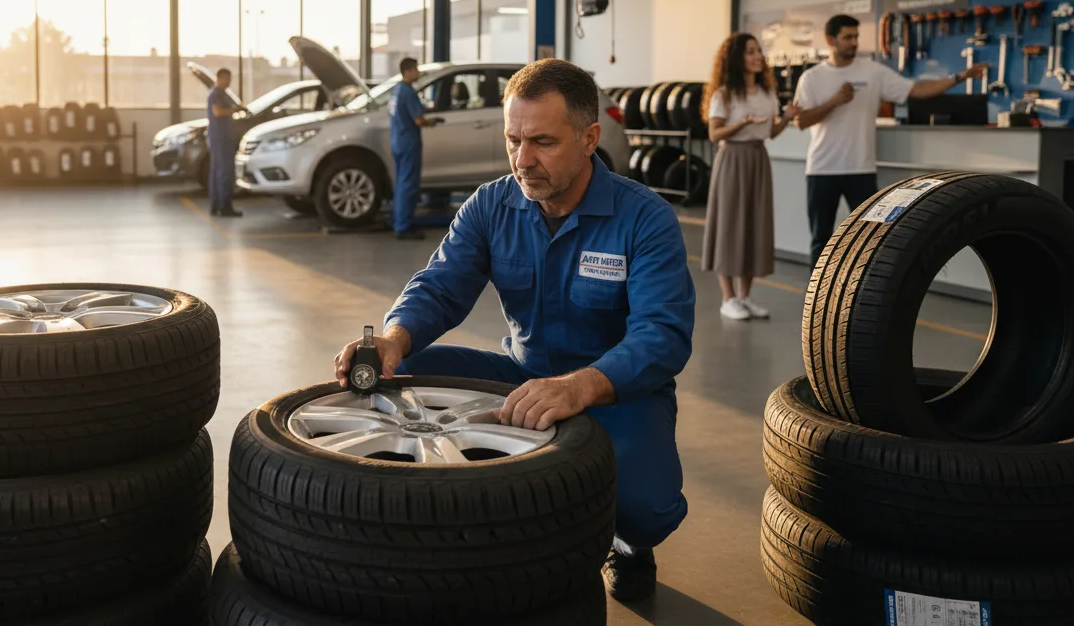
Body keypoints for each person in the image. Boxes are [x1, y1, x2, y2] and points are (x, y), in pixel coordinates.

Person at [334, 58, 695, 604]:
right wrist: (394, 336)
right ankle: (422, 516)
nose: (523, 160)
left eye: (543, 142)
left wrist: (580, 386)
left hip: (615, 390)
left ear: (589, 137)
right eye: (513, 140)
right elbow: (440, 285)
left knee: (648, 510)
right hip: (521, 375)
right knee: (393, 373)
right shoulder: (491, 205)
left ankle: (622, 542)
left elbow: (661, 335)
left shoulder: (644, 219)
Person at [790, 14, 989, 268]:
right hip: (822, 169)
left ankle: (860, 298)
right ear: (831, 40)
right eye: (847, 37)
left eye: (856, 37)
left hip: (860, 169)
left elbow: (916, 90)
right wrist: (834, 102)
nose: (853, 42)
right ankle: (816, 303)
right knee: (821, 240)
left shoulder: (873, 72)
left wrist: (959, 77)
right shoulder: (812, 78)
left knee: (869, 238)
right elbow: (801, 121)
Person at [701, 33, 790, 321]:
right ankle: (727, 298)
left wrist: (788, 117)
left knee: (755, 224)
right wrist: (743, 122)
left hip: (758, 158)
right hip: (733, 159)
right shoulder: (724, 95)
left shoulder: (767, 94)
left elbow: (771, 133)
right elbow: (715, 134)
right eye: (751, 51)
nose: (758, 56)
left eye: (759, 51)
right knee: (729, 224)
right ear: (736, 58)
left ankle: (745, 296)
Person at [389, 57, 436, 240]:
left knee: (401, 184)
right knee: (408, 185)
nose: (418, 72)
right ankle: (403, 226)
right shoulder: (408, 92)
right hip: (409, 143)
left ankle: (398, 220)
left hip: (397, 141)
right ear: (408, 71)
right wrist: (431, 122)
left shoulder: (397, 90)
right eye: (416, 69)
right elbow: (418, 120)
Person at [206, 68, 245, 218]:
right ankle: (225, 206)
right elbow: (217, 112)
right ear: (220, 78)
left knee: (217, 171)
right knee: (225, 171)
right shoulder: (216, 94)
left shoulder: (221, 94)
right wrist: (234, 109)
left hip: (220, 137)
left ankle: (216, 205)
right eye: (226, 79)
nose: (228, 82)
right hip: (220, 137)